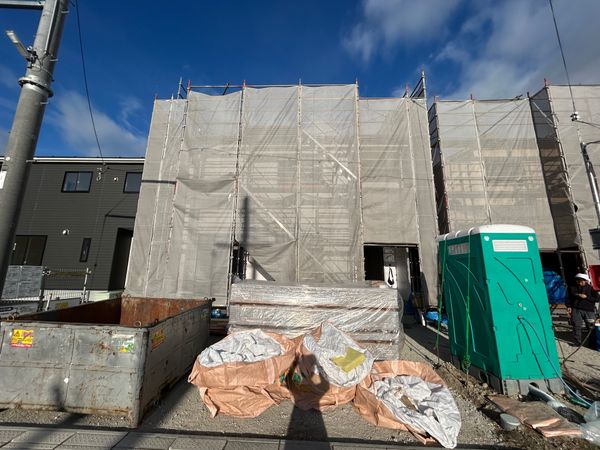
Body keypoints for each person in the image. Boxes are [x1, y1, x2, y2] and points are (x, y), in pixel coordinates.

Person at [566, 273, 598, 346]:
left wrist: (586, 297)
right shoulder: (571, 288)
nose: (580, 283)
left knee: (590, 327)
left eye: (582, 281)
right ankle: (577, 342)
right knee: (576, 325)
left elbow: (597, 299)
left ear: (585, 281)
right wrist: (568, 307)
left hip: (589, 310)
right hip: (576, 309)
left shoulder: (591, 288)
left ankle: (593, 343)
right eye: (578, 281)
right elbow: (568, 298)